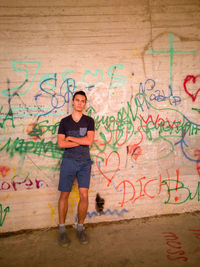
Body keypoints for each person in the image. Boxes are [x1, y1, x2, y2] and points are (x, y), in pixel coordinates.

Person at [57, 90, 95, 246]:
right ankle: (62, 230)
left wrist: (71, 138)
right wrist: (82, 140)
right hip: (68, 162)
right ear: (73, 102)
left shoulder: (89, 121)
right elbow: (60, 144)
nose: (80, 103)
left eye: (83, 101)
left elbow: (90, 141)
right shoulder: (64, 122)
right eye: (77, 100)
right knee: (64, 195)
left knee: (84, 196)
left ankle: (80, 228)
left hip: (85, 163)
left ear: (85, 104)